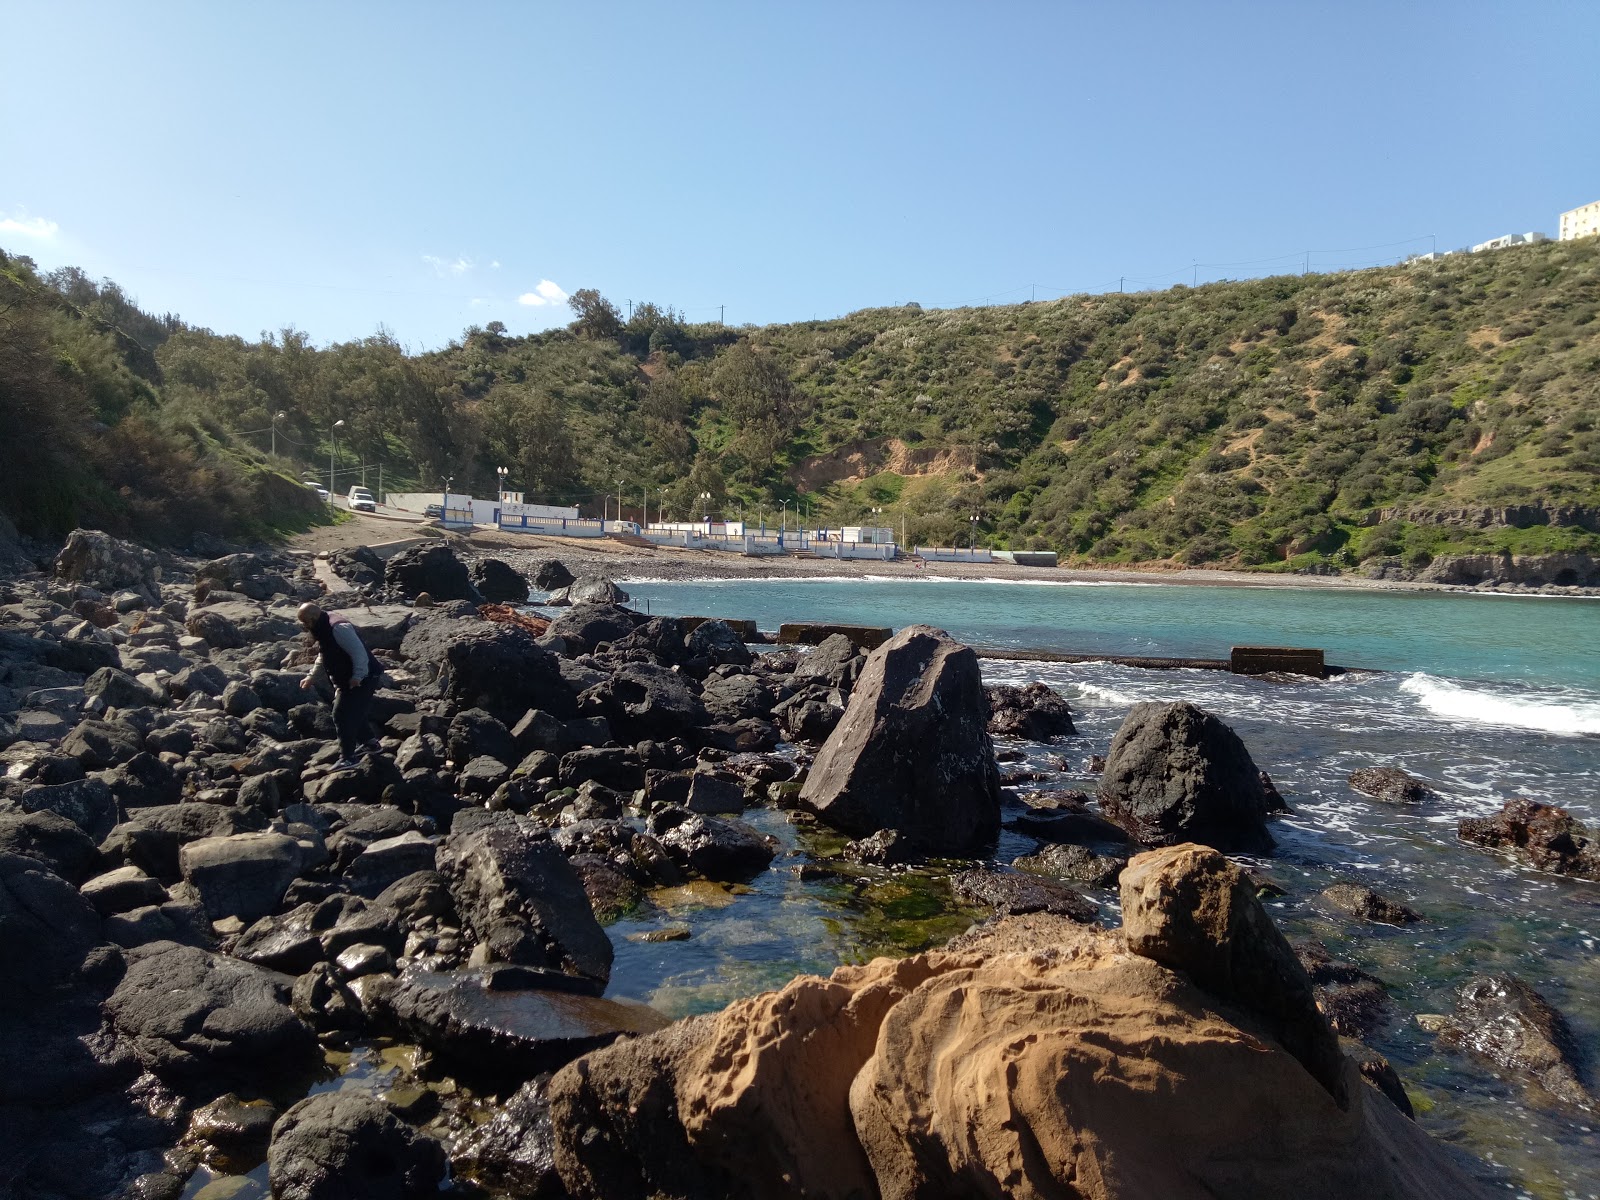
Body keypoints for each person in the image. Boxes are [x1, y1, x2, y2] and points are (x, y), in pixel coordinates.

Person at [297, 602, 381, 769]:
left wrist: (358, 676)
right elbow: (324, 655)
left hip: (364, 677)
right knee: (355, 710)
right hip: (349, 677)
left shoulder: (338, 628)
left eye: (305, 622)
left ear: (313, 618)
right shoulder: (322, 628)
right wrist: (311, 677)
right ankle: (371, 743)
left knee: (341, 714)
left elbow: (359, 653)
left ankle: (348, 758)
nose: (304, 626)